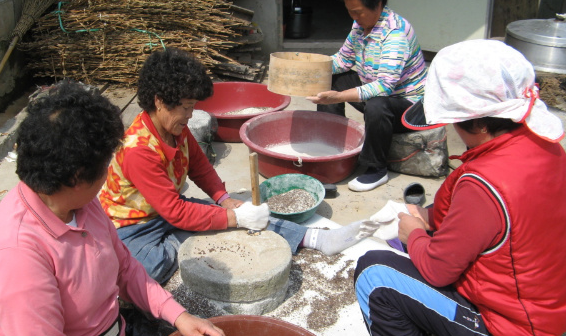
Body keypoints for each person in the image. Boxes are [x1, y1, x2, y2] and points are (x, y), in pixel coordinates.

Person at [352, 39, 566, 336]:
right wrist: (430, 220)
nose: (450, 129)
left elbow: (437, 270)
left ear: (477, 124)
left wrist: (416, 232)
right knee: (406, 249)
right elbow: (465, 211)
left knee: (374, 273)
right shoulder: (543, 145)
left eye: (453, 121)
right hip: (551, 306)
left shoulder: (484, 184)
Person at [0, 81, 229, 336]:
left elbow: (124, 267)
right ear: (77, 176)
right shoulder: (14, 256)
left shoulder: (80, 203)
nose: (109, 174)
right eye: (106, 165)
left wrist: (178, 315)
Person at [99, 48, 370, 284]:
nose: (191, 115)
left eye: (193, 106)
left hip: (166, 211)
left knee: (240, 211)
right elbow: (176, 211)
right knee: (148, 269)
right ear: (159, 101)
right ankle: (181, 240)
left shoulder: (175, 128)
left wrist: (224, 199)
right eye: (186, 107)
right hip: (133, 227)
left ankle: (315, 239)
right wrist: (232, 219)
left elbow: (200, 167)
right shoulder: (138, 149)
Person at [307, 0, 427, 192]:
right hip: (375, 90)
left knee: (376, 104)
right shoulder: (360, 25)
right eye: (350, 11)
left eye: (358, 11)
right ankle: (331, 145)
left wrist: (339, 97)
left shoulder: (395, 33)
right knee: (331, 80)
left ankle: (376, 168)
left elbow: (385, 86)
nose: (354, 17)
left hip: (407, 107)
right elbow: (342, 60)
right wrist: (308, 69)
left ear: (379, 3)